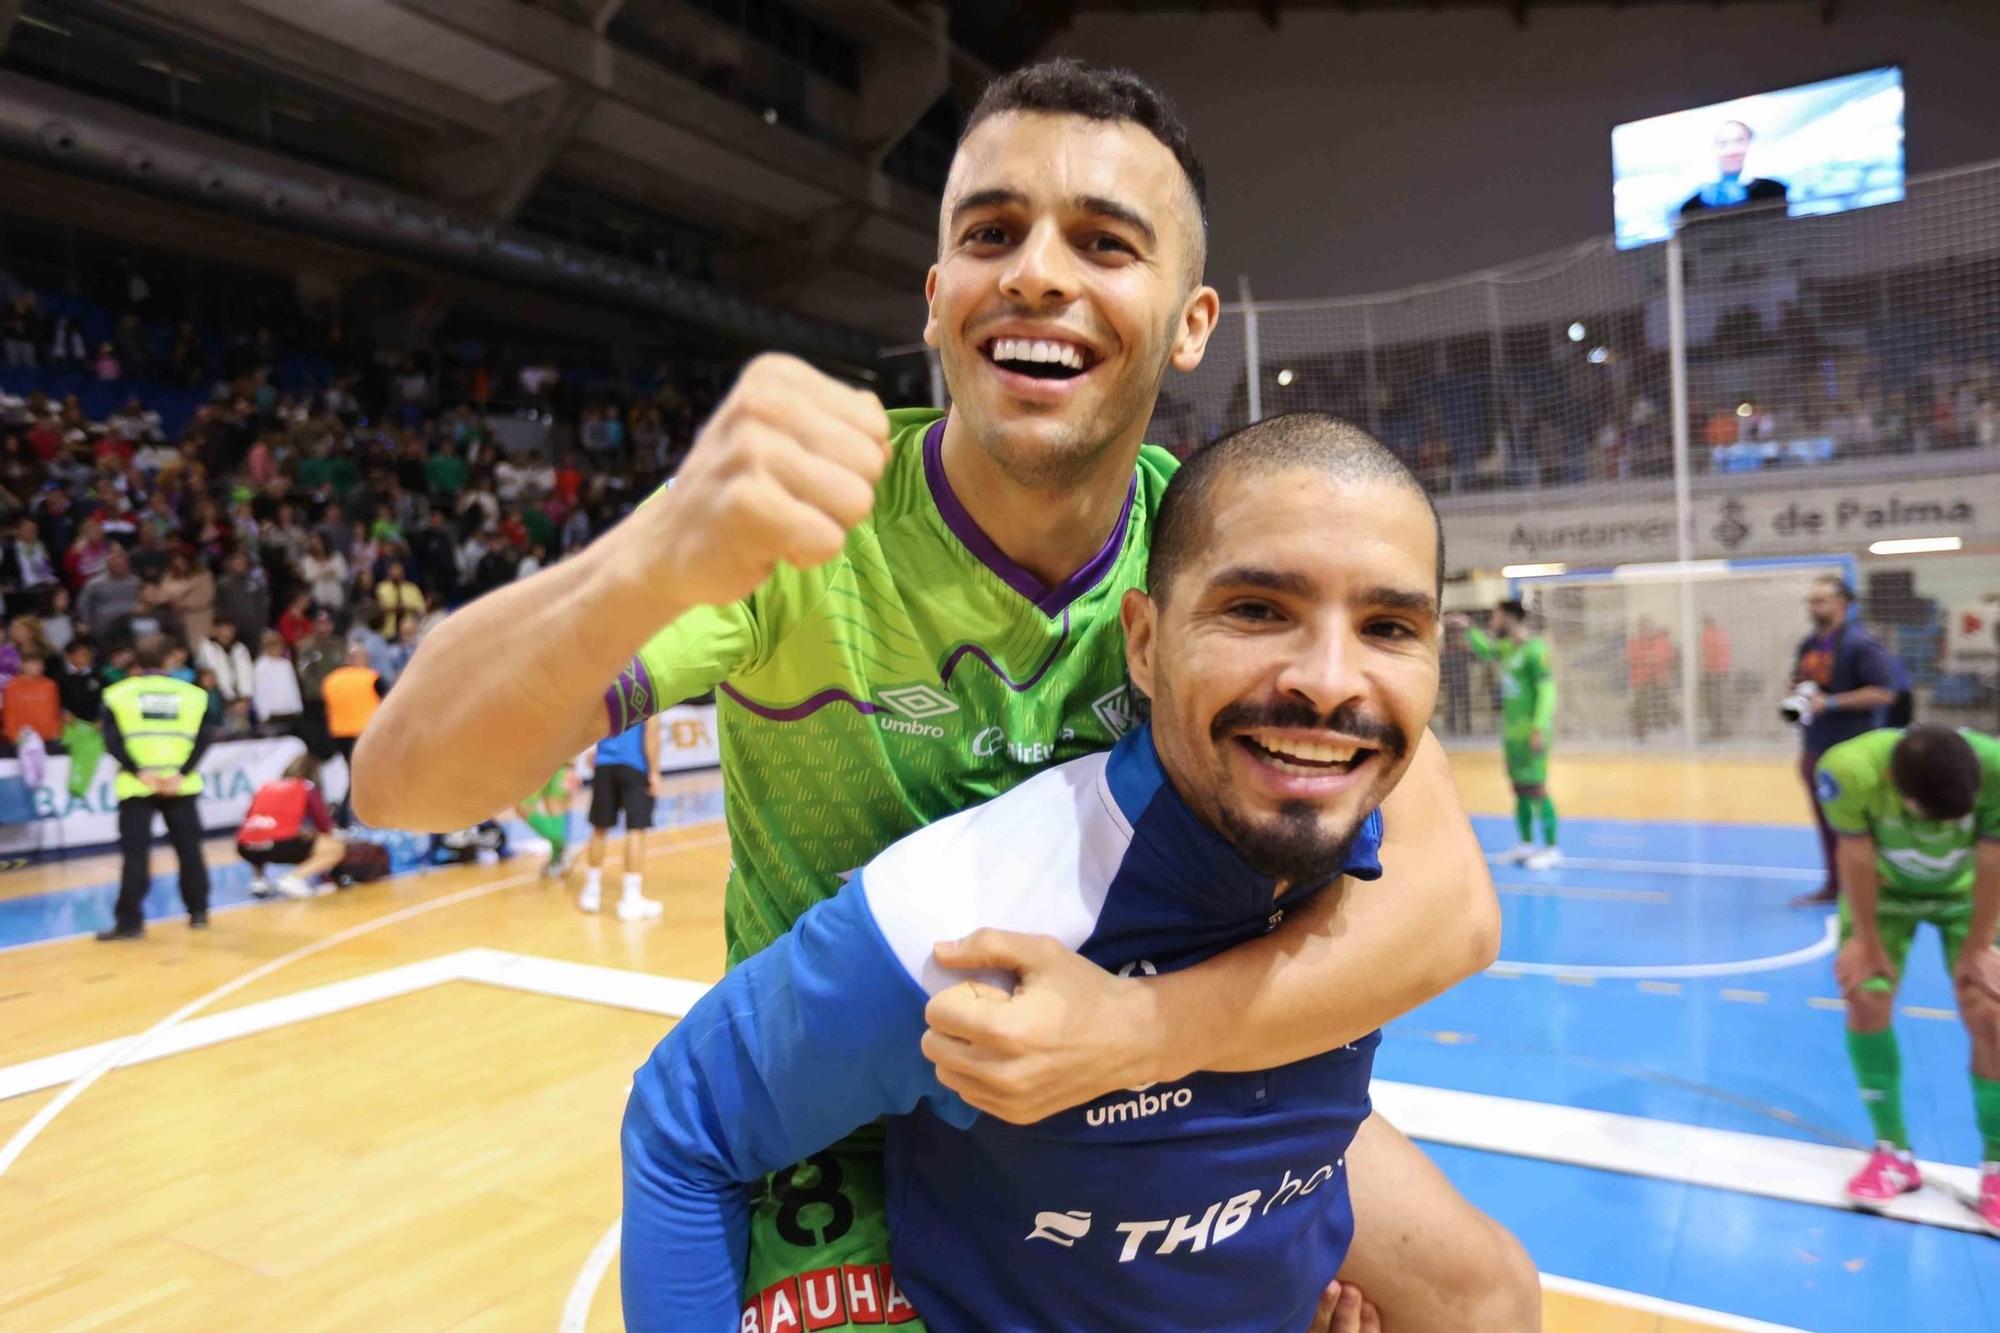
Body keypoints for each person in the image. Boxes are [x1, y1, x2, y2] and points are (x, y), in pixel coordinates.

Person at [359, 58, 1529, 1332]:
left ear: (1190, 323)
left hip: (1140, 1070)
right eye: (990, 232)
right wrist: (646, 558)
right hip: (847, 1110)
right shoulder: (803, 532)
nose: (1036, 271)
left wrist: (1138, 1036)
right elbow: (402, 784)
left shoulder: (1222, 555)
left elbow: (1445, 909)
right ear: (935, 300)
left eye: (1101, 240)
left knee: (1482, 1295)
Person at [622, 415, 1437, 1330]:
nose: (1330, 680)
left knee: (1483, 1290)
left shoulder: (1359, 835)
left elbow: (1459, 918)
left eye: (1390, 626)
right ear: (1143, 643)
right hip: (873, 1195)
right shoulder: (977, 910)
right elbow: (683, 1125)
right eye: (1256, 610)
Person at [1816, 724, 2000, 1231]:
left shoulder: (1997, 769)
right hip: (1885, 890)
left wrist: (1980, 946)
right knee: (1865, 998)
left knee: (1989, 1009)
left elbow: (1992, 857)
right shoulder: (1848, 770)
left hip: (1965, 896)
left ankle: (1998, 1167)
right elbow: (1853, 853)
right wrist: (1866, 942)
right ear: (1895, 782)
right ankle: (1893, 1153)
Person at [95, 636, 216, 940]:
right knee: (189, 852)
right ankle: (198, 913)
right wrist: (180, 773)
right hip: (181, 785)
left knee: (136, 855)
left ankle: (129, 923)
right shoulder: (193, 695)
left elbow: (111, 740)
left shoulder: (118, 694)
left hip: (137, 785)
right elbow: (204, 739)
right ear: (170, 660)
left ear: (136, 661)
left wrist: (140, 772)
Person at [1791, 576, 1902, 907]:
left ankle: (1879, 886)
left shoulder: (1861, 644)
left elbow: (1883, 692)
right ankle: (1835, 885)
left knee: (1863, 822)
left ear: (1844, 603)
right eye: (1810, 600)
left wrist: (1832, 702)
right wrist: (1796, 694)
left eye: (1821, 600)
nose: (1814, 607)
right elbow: (1802, 682)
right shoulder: (1808, 645)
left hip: (1853, 751)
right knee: (1827, 822)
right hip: (1815, 746)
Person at [1453, 600, 1560, 869]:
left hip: (1531, 733)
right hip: (1511, 735)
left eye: (1496, 617)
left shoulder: (1535, 650)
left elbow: (1547, 691)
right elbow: (1485, 649)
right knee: (1519, 789)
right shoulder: (1508, 648)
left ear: (1509, 618)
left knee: (1537, 789)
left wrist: (1538, 726)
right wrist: (1469, 628)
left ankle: (1551, 847)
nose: (1492, 622)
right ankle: (1525, 844)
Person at [581, 716, 662, 920]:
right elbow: (651, 733)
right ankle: (630, 899)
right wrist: (654, 771)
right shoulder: (648, 686)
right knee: (636, 829)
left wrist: (595, 751)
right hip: (634, 766)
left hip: (605, 766)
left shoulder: (609, 687)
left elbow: (592, 722)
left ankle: (591, 893)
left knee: (600, 828)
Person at [238, 753, 346, 900]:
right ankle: (294, 878)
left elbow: (248, 818)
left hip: (245, 847)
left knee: (259, 835)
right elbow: (323, 823)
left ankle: (259, 880)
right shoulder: (306, 787)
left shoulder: (266, 786)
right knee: (335, 847)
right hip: (281, 846)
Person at [323, 644, 384, 824]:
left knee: (354, 776)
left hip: (340, 735)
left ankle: (345, 818)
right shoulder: (371, 677)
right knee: (364, 778)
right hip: (365, 734)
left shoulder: (331, 680)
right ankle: (347, 818)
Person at [1679, 120, 1789, 217]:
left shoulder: (1775, 190)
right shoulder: (1691, 207)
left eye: (1740, 141)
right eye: (1723, 143)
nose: (1732, 150)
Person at [518, 761, 577, 879]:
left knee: (526, 807)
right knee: (552, 808)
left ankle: (559, 853)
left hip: (543, 763)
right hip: (556, 762)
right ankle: (560, 853)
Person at [1626, 616, 1674, 741]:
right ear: (1640, 628)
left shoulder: (1661, 640)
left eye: (1649, 626)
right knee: (1641, 704)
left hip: (1659, 678)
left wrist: (1653, 658)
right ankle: (1640, 730)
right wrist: (1648, 658)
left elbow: (1669, 656)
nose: (1647, 629)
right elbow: (1631, 658)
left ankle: (1663, 724)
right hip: (1641, 678)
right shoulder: (1634, 642)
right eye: (1644, 626)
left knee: (1662, 701)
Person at [252, 631, 303, 736]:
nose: (277, 649)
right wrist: (263, 713)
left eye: (280, 645)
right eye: (273, 645)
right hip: (272, 715)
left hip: (290, 712)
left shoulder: (286, 664)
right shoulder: (260, 667)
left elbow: (293, 687)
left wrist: (298, 706)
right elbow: (259, 691)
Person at [197, 619, 256, 706]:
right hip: (218, 698)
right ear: (216, 630)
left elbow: (247, 673)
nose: (229, 631)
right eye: (225, 628)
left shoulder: (240, 649)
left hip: (241, 700)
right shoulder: (207, 648)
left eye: (231, 628)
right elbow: (204, 672)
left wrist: (245, 697)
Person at [1700, 615, 1732, 740]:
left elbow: (1707, 653)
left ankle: (1716, 728)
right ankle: (1720, 727)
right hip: (1722, 671)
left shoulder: (1706, 635)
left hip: (1712, 672)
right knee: (1719, 701)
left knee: (1714, 702)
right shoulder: (1722, 633)